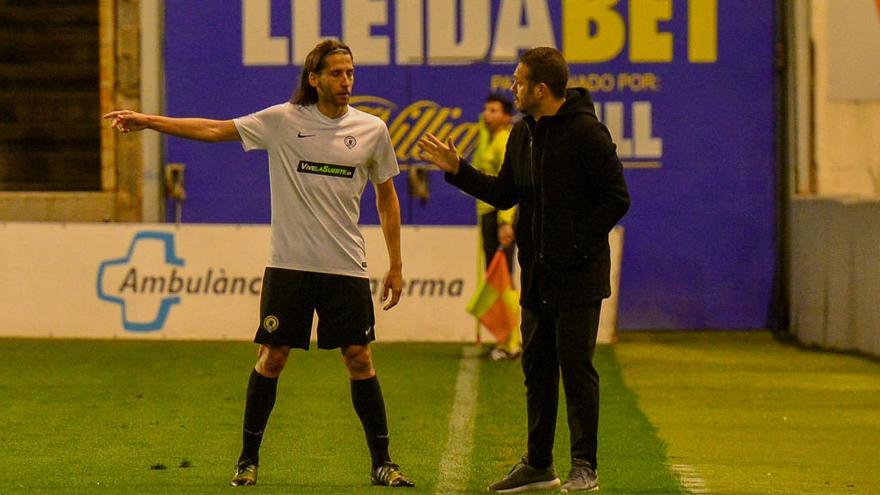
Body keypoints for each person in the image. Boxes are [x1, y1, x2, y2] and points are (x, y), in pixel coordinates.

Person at [105, 39, 415, 489]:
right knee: (272, 357)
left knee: (359, 358)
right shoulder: (282, 121)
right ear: (314, 78)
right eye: (336, 73)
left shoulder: (372, 130)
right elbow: (213, 130)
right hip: (288, 265)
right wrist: (148, 121)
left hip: (346, 266)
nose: (346, 82)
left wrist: (396, 264)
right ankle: (247, 460)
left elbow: (387, 196)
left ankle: (382, 463)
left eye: (350, 73)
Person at [418, 46, 630, 493]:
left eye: (518, 82)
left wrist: (574, 243)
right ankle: (538, 464)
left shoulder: (589, 134)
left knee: (576, 369)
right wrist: (458, 170)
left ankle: (584, 466)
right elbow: (502, 194)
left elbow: (616, 199)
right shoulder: (522, 135)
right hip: (536, 277)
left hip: (579, 276)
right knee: (536, 369)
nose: (512, 88)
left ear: (540, 88)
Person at [472, 93, 522, 361]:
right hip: (487, 214)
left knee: (504, 278)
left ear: (506, 116)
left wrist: (505, 222)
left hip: (500, 215)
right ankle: (505, 338)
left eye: (493, 110)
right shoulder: (487, 137)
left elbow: (509, 185)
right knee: (496, 277)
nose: (487, 115)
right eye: (485, 110)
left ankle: (512, 341)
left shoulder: (506, 141)